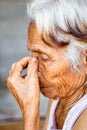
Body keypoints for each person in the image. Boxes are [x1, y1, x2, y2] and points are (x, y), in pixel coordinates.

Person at [7, 0, 87, 130]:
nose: (33, 68)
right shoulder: (59, 97)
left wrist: (30, 112)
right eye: (33, 56)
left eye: (44, 58)